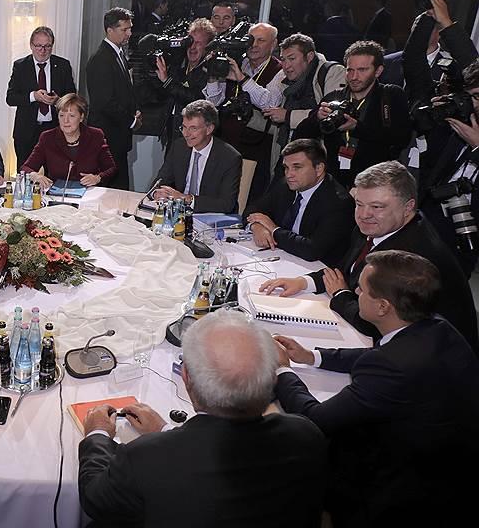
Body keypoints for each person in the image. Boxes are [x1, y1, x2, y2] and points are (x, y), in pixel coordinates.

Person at [273, 250, 479, 526]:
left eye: (362, 289)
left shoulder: (390, 366)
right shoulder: (438, 327)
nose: (355, 291)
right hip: (452, 466)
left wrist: (282, 369)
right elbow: (381, 353)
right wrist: (313, 357)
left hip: (403, 491)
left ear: (383, 307)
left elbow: (315, 420)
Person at [78, 309, 327, 527]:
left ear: (186, 376)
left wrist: (97, 435)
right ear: (273, 379)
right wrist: (165, 432)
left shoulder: (144, 457)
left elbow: (95, 500)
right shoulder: (305, 433)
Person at [260, 161, 478, 350]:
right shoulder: (377, 226)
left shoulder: (412, 255)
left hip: (435, 361)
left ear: (408, 207)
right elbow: (347, 270)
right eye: (359, 204)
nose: (363, 215)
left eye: (377, 206)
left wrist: (340, 295)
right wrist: (303, 282)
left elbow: (373, 323)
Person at [295, 40, 412, 187]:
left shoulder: (391, 95)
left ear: (378, 71)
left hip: (377, 182)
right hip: (335, 182)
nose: (354, 77)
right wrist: (316, 118)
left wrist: (357, 128)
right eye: (349, 70)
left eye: (362, 70)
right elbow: (300, 136)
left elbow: (402, 137)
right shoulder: (333, 97)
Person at [244, 138, 353, 264]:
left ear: (319, 169)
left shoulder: (339, 203)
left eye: (297, 167)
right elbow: (253, 209)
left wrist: (274, 230)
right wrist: (257, 226)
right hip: (282, 258)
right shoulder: (286, 185)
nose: (289, 174)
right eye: (286, 167)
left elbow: (312, 250)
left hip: (317, 268)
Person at [417, 60, 479, 274]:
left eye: (477, 96)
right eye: (470, 96)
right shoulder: (463, 126)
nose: (473, 104)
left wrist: (477, 147)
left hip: (467, 234)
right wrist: (438, 119)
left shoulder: (471, 134)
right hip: (434, 224)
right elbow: (431, 167)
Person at [217, 23, 286, 200]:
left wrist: (242, 79)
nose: (254, 45)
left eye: (261, 40)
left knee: (249, 198)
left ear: (273, 44)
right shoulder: (238, 62)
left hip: (256, 149)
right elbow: (215, 100)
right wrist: (212, 76)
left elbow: (270, 102)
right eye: (251, 40)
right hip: (226, 143)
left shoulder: (280, 70)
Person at [151, 100, 242, 213]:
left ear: (209, 129)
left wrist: (186, 199)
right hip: (179, 212)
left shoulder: (230, 157)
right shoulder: (179, 147)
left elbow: (227, 204)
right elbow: (160, 181)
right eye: (184, 127)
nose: (186, 134)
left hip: (210, 216)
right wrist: (157, 193)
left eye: (193, 128)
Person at [86, 7, 141, 190]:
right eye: (124, 29)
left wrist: (134, 110)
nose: (129, 34)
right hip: (107, 137)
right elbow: (104, 102)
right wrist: (131, 120)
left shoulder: (118, 54)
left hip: (117, 136)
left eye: (130, 28)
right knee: (110, 190)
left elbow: (124, 91)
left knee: (119, 189)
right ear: (110, 30)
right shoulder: (101, 59)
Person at [6, 27, 77, 167]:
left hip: (54, 129)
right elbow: (11, 98)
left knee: (56, 172)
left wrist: (58, 101)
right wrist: (34, 96)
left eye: (47, 46)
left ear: (52, 46)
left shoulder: (63, 65)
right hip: (26, 131)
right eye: (39, 46)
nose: (43, 50)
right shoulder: (21, 66)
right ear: (31, 45)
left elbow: (72, 97)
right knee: (25, 173)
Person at [264, 33, 345, 150]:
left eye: (292, 59)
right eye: (283, 60)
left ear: (309, 56)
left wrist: (288, 116)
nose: (286, 66)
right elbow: (277, 127)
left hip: (318, 154)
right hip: (288, 152)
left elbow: (331, 115)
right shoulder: (285, 81)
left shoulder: (332, 72)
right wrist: (250, 117)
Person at [21, 93, 116, 189]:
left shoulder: (95, 135)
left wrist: (97, 178)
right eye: (62, 115)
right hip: (57, 193)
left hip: (89, 193)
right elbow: (25, 168)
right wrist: (35, 176)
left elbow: (111, 168)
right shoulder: (47, 138)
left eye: (71, 116)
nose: (65, 121)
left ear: (81, 117)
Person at [151, 19, 217, 145]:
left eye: (198, 43)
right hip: (172, 131)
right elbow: (162, 94)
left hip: (194, 137)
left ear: (208, 47)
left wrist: (166, 81)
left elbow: (196, 100)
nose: (192, 47)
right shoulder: (179, 63)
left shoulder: (210, 71)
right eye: (190, 41)